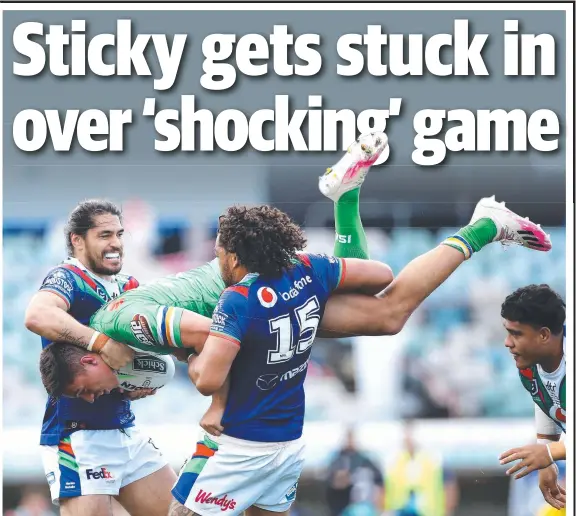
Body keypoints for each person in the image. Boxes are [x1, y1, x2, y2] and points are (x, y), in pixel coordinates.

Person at [24, 200, 177, 516]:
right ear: (77, 240)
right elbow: (37, 315)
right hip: (78, 436)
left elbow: (142, 349)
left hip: (124, 430)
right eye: (104, 235)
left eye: (119, 234)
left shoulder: (129, 285)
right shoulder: (68, 277)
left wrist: (138, 382)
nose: (116, 244)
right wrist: (101, 343)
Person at [497, 285, 566, 510]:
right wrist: (548, 457)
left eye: (516, 333)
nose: (508, 342)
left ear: (544, 334)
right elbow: (548, 402)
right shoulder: (529, 367)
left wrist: (549, 452)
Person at [382, 420, 458, 516]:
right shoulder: (393, 461)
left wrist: (448, 511)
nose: (408, 438)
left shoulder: (434, 459)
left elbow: (449, 486)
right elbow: (383, 489)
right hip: (399, 511)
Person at [325, 428, 384, 516]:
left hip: (365, 506)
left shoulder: (365, 461)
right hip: (343, 506)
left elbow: (379, 482)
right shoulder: (337, 461)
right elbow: (332, 482)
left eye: (351, 438)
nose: (350, 441)